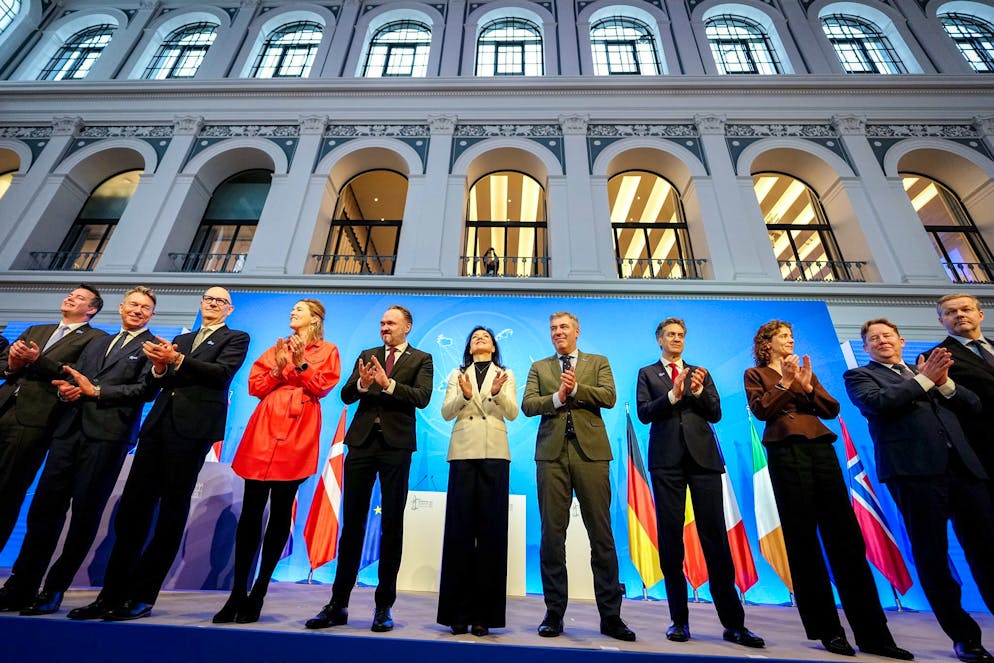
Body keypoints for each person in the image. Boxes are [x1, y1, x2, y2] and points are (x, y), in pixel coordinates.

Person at [67, 286, 250, 621]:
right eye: (208, 298)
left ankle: (142, 597)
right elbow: (153, 386)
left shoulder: (235, 337)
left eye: (220, 300)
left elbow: (221, 374)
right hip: (156, 428)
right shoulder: (178, 340)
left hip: (192, 431)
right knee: (132, 514)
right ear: (200, 303)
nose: (212, 303)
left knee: (169, 513)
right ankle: (109, 595)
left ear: (229, 309)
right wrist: (160, 368)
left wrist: (177, 360)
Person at [744, 320, 911, 660]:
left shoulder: (806, 369)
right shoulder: (755, 373)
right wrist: (787, 383)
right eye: (784, 336)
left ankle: (874, 633)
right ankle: (828, 630)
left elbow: (831, 410)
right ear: (767, 343)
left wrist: (805, 386)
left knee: (847, 538)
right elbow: (762, 410)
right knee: (803, 539)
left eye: (792, 335)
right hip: (785, 451)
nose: (791, 339)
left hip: (820, 448)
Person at [0, 287, 158, 616]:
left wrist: (96, 390)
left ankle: (54, 590)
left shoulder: (150, 348)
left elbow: (144, 390)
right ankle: (21, 585)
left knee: (83, 517)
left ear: (151, 315)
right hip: (68, 432)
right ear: (121, 308)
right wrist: (68, 391)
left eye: (145, 307)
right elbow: (72, 377)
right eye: (133, 304)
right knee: (43, 511)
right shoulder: (97, 342)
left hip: (107, 437)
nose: (138, 311)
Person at [844, 318, 994, 663]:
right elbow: (882, 403)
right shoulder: (860, 377)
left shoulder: (930, 372)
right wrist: (927, 379)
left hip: (965, 472)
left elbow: (972, 406)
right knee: (933, 557)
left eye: (887, 336)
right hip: (914, 475)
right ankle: (965, 637)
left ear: (901, 340)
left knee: (987, 550)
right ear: (866, 348)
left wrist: (943, 384)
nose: (882, 341)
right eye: (873, 338)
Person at [636, 318, 763, 648]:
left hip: (704, 461)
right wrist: (673, 396)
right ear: (659, 340)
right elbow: (645, 413)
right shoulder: (648, 374)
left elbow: (715, 412)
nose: (676, 339)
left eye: (681, 335)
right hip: (666, 463)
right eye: (671, 335)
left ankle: (734, 624)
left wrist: (695, 392)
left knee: (715, 540)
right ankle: (679, 620)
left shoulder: (699, 373)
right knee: (671, 540)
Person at [306, 305, 433, 633]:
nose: (384, 327)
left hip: (396, 446)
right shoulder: (367, 353)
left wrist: (388, 384)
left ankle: (383, 606)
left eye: (391, 323)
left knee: (392, 525)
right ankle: (338, 603)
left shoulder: (421, 359)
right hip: (361, 444)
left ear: (407, 326)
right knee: (352, 526)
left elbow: (422, 397)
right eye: (381, 323)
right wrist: (362, 384)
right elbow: (347, 395)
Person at [214, 299, 341, 624]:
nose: (293, 313)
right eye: (293, 309)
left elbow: (322, 386)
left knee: (282, 510)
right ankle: (236, 593)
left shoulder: (328, 350)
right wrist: (277, 367)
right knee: (252, 510)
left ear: (314, 318)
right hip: (266, 425)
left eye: (300, 310)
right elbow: (256, 386)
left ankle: (258, 592)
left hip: (298, 429)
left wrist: (300, 364)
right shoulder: (277, 347)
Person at [521, 311, 635, 642]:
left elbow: (609, 396)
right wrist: (557, 397)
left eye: (564, 327)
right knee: (552, 537)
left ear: (577, 331)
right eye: (553, 328)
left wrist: (577, 389)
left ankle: (611, 616)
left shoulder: (598, 361)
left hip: (592, 455)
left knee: (601, 536)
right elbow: (529, 404)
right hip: (551, 456)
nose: (558, 332)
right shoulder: (539, 367)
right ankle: (554, 613)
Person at [0, 284, 106, 561]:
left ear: (91, 309)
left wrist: (38, 361)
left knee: (7, 491)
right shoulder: (36, 330)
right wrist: (12, 363)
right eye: (71, 294)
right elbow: (5, 364)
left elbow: (77, 376)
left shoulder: (94, 338)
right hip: (4, 408)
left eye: (80, 298)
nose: (71, 298)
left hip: (35, 421)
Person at [436, 326, 518, 636]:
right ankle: (457, 613)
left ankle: (485, 615)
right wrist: (464, 397)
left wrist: (495, 393)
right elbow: (445, 413)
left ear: (494, 347)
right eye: (474, 338)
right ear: (469, 348)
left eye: (485, 337)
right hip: (462, 452)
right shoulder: (457, 374)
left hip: (495, 452)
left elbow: (512, 413)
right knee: (459, 533)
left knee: (491, 534)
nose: (479, 339)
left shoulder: (506, 374)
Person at [933, 293, 994, 501]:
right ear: (942, 321)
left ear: (980, 314)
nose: (959, 315)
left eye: (965, 309)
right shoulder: (937, 357)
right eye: (951, 312)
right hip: (983, 450)